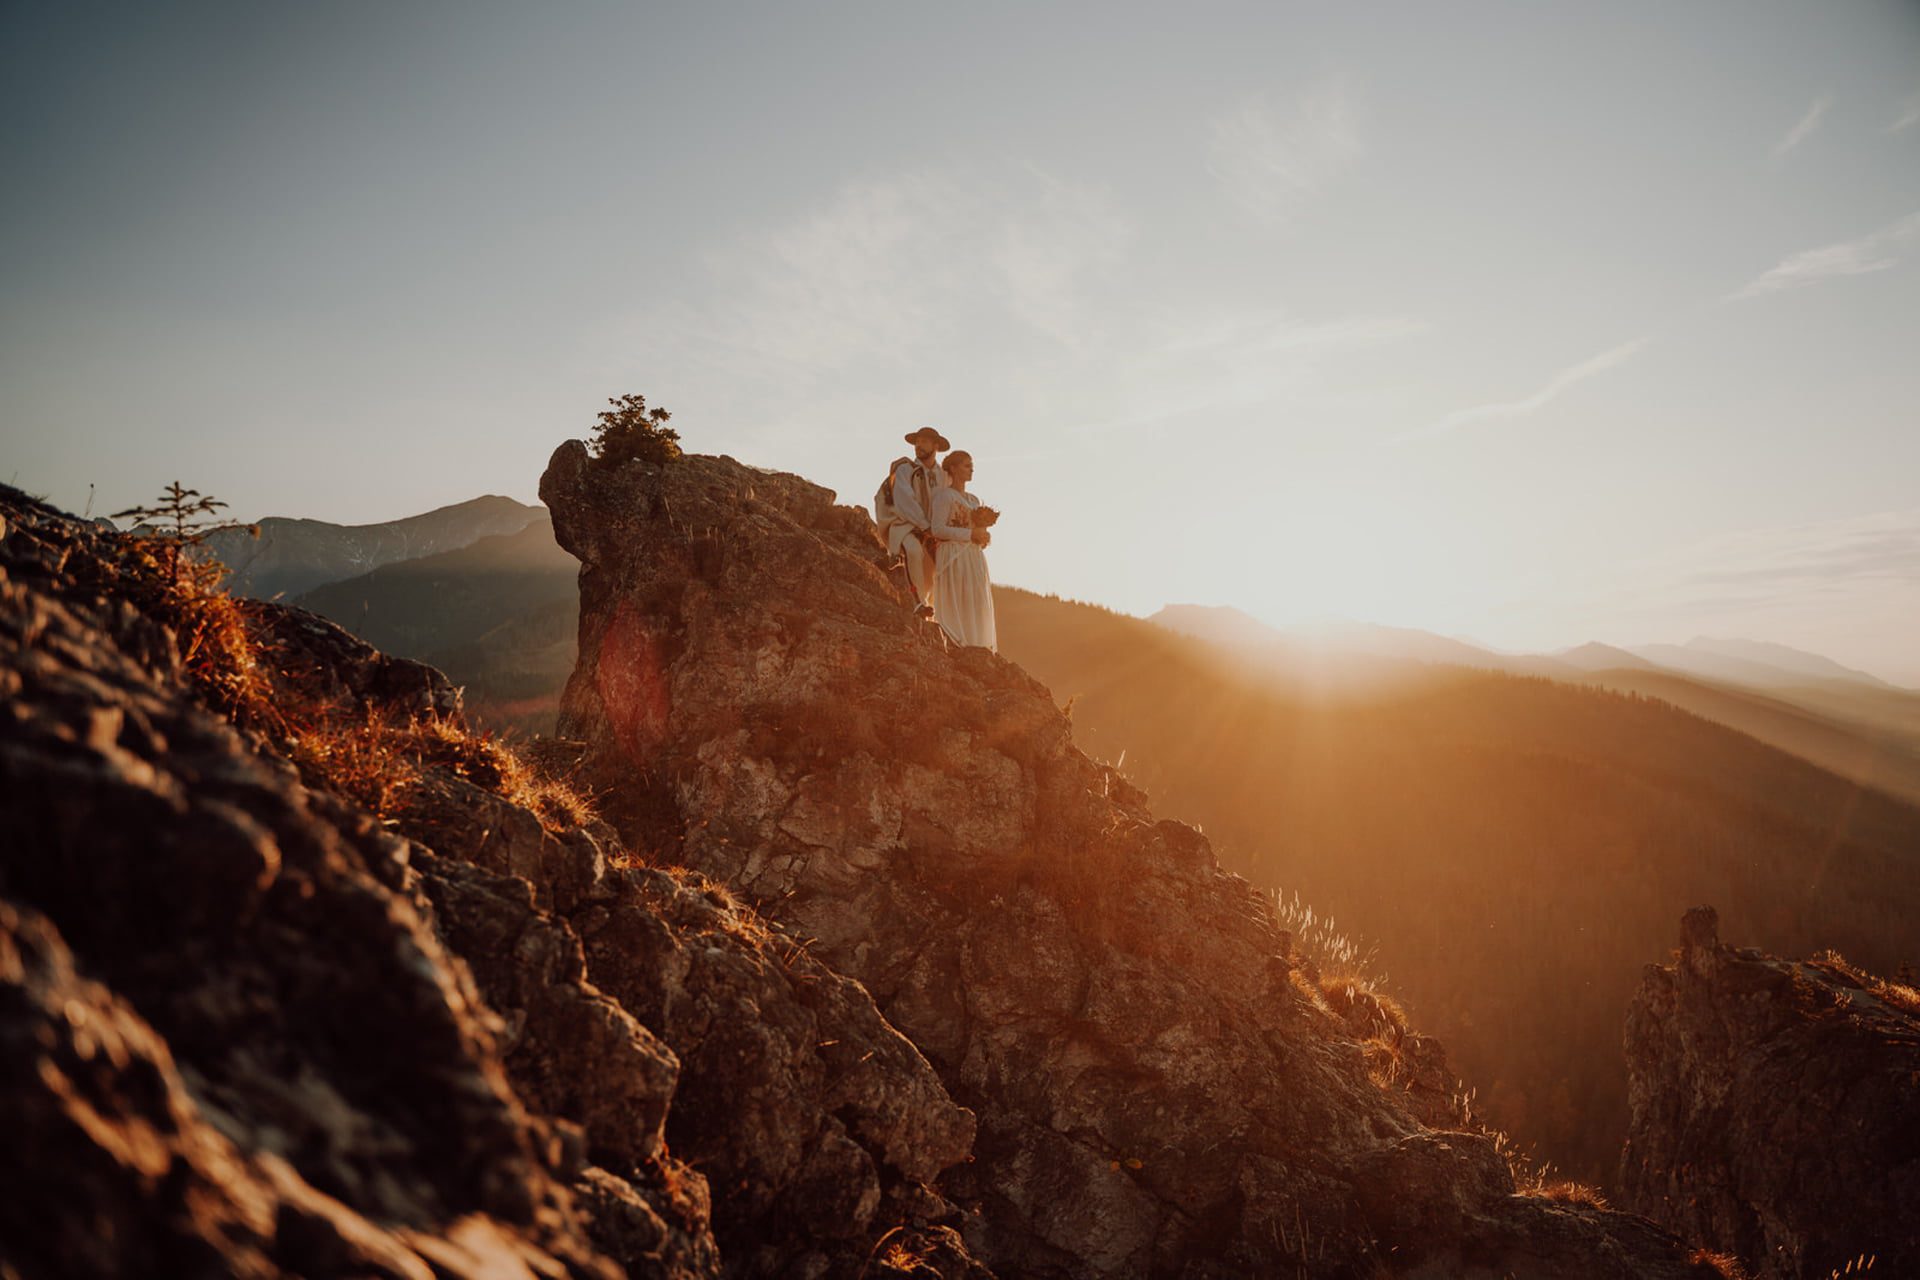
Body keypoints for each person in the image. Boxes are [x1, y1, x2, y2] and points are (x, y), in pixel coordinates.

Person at [875, 427, 949, 617]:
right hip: (902, 521)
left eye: (924, 442)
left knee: (938, 565)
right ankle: (918, 603)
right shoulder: (905, 469)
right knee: (914, 550)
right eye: (917, 442)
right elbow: (904, 501)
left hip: (933, 528)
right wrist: (925, 526)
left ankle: (940, 612)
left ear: (936, 446)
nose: (918, 445)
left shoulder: (943, 476)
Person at [929, 450, 997, 651]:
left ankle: (977, 644)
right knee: (957, 597)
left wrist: (983, 536)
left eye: (971, 465)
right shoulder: (943, 496)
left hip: (973, 556)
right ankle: (957, 642)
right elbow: (937, 529)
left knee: (974, 600)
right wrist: (969, 535)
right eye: (967, 465)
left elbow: (976, 530)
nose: (971, 469)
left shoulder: (974, 500)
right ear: (953, 468)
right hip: (953, 555)